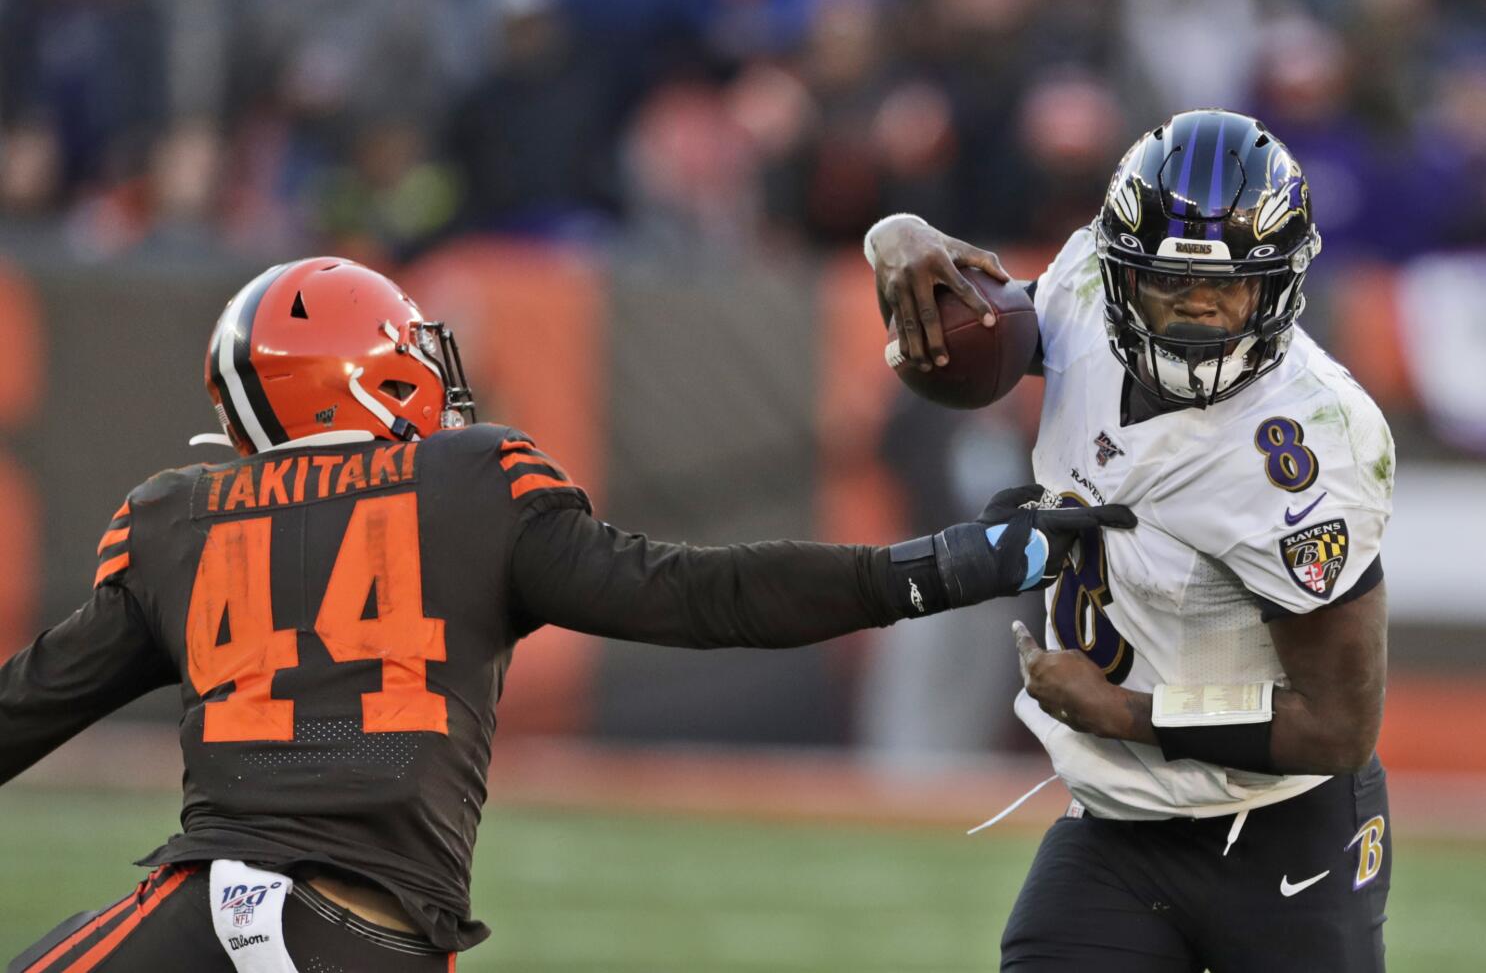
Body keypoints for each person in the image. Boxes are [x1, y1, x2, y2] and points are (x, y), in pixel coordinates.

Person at [0, 257, 1133, 971]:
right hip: (385, 943)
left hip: (242, 916)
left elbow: (26, 706)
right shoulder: (469, 486)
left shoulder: (178, 522)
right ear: (368, 377)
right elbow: (705, 596)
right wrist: (927, 570)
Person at [866, 109, 1393, 972]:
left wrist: (1122, 713)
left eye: (1226, 289)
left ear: (1283, 283)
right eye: (1166, 286)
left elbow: (1338, 725)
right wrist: (897, 236)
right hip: (1117, 825)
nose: (1195, 316)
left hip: (1285, 836)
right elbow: (999, 335)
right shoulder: (1080, 289)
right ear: (1116, 274)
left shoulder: (1308, 449)